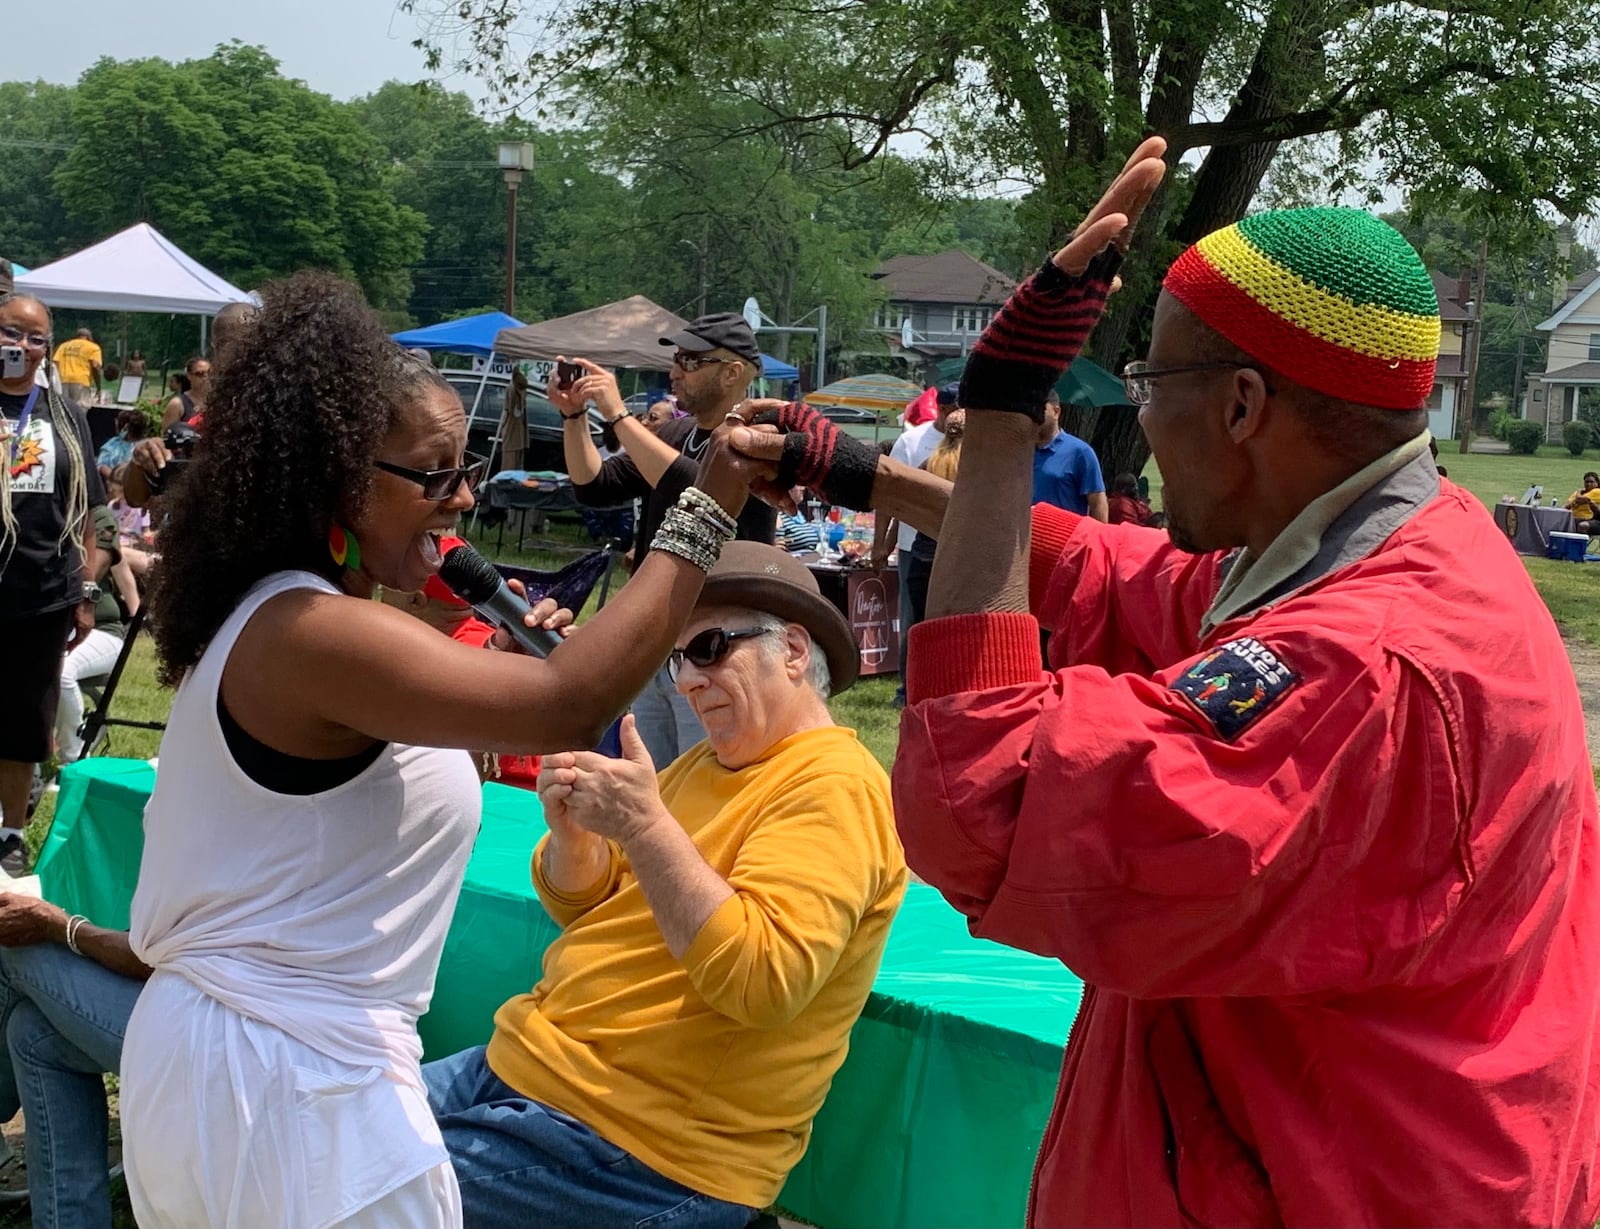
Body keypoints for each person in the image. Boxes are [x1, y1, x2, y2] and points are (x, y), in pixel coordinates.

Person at [722, 141, 1600, 1225]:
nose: (1137, 412)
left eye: (1151, 382)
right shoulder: (1379, 547)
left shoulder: (1360, 666)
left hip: (1338, 1187)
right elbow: (1109, 570)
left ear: (1240, 406)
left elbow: (993, 800)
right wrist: (866, 475)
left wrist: (998, 418)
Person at [117, 270, 755, 1229]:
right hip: (290, 1093)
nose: (462, 500)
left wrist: (479, 647)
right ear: (337, 476)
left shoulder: (296, 617)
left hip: (242, 1075)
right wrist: (713, 500)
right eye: (436, 473)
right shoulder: (310, 633)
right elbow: (567, 701)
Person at [422, 541, 907, 1228]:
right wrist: (574, 835)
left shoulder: (835, 786)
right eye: (678, 659)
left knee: (325, 1184)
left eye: (709, 647)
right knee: (292, 1136)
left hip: (637, 1152)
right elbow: (583, 904)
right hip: (537, 1079)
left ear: (794, 650)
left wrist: (646, 828)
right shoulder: (706, 765)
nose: (685, 681)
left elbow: (761, 980)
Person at [562, 312, 777, 769]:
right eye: (676, 357)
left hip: (718, 645)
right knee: (654, 783)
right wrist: (574, 415)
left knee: (709, 775)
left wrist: (619, 416)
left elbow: (696, 487)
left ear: (733, 372)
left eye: (691, 360)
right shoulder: (677, 433)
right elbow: (595, 484)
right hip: (658, 641)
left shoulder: (762, 438)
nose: (675, 370)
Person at [0, 293, 104, 877]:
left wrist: (86, 590)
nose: (22, 345)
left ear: (48, 349)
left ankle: (11, 832)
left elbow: (87, 507)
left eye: (35, 337)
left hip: (43, 591)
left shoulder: (66, 416)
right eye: (10, 333)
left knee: (23, 720)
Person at [0, 893, 148, 1229]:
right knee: (33, 1034)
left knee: (14, 951)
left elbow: (152, 955)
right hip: (189, 999)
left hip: (221, 1028)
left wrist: (62, 927)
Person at [870, 384, 957, 705]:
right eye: (956, 410)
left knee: (950, 621)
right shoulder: (912, 442)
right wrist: (882, 543)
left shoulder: (973, 444)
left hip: (956, 547)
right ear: (944, 409)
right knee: (913, 621)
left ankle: (943, 687)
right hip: (913, 545)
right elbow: (889, 496)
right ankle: (907, 689)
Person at [54, 504, 128, 763]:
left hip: (102, 631)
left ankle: (74, 760)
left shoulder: (99, 515)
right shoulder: (45, 512)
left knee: (61, 672)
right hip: (53, 630)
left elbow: (96, 566)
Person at [903, 409, 964, 631]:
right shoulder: (971, 469)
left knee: (922, 628)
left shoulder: (928, 464)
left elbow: (909, 505)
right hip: (956, 562)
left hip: (921, 558)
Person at [1033, 388, 1107, 519]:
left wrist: (1098, 538)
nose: (1034, 417)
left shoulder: (1080, 452)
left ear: (1056, 412)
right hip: (1028, 537)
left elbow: (1097, 503)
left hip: (1065, 536)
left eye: (1040, 410)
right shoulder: (1023, 453)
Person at [49, 330, 101, 408]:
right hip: (81, 381)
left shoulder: (63, 346)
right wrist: (98, 386)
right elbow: (95, 366)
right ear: (90, 337)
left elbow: (55, 364)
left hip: (62, 381)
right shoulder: (93, 347)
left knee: (64, 410)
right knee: (80, 411)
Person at [95, 407, 147, 481]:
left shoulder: (145, 447)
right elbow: (102, 466)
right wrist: (118, 480)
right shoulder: (113, 444)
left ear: (125, 428)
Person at [159, 355, 210, 430]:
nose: (206, 378)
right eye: (200, 374)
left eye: (210, 373)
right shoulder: (177, 404)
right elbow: (167, 436)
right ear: (189, 376)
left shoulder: (219, 401)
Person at [1567, 470, 1600, 534]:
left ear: (1597, 483)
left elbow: (1579, 499)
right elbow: (1567, 505)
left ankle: (1580, 544)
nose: (1588, 484)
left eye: (1591, 482)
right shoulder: (1580, 493)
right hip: (1577, 518)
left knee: (1582, 526)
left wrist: (1579, 491)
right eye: (1586, 482)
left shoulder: (1597, 491)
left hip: (1595, 520)